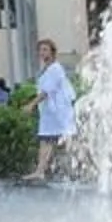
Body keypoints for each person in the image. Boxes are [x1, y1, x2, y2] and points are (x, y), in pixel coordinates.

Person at [31, 39, 76, 182]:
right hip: (50, 113)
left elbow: (46, 91)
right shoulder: (47, 69)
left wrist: (30, 104)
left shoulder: (55, 69)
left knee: (57, 141)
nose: (42, 53)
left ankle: (70, 170)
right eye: (40, 50)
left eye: (45, 49)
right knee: (47, 141)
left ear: (52, 52)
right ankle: (41, 171)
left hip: (58, 112)